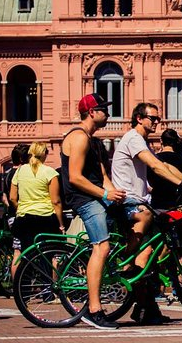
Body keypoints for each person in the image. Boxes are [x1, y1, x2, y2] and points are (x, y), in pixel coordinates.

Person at [111, 102, 182, 324]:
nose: (156, 123)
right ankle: (125, 262)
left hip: (142, 201)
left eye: (158, 119)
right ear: (139, 118)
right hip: (131, 203)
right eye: (153, 118)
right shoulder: (133, 138)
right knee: (145, 252)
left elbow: (165, 166)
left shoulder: (141, 141)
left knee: (149, 256)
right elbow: (156, 166)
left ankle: (146, 308)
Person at [61, 93, 126, 330]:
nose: (107, 113)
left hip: (96, 196)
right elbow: (75, 178)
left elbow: (103, 178)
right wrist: (105, 194)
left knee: (139, 216)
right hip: (84, 200)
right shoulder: (78, 138)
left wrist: (116, 194)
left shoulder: (94, 141)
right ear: (91, 112)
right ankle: (94, 309)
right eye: (103, 109)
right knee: (102, 246)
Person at [9, 142, 64, 277]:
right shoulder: (50, 172)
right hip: (45, 218)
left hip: (24, 218)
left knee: (25, 254)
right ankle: (49, 291)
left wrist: (21, 208)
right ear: (44, 154)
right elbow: (55, 201)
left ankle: (22, 289)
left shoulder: (20, 171)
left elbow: (12, 197)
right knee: (49, 254)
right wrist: (61, 224)